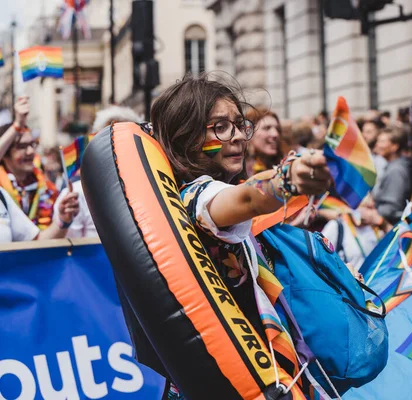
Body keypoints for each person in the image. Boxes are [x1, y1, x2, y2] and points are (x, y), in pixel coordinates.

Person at [150, 73, 332, 397]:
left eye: (239, 124)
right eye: (220, 126)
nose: (236, 136)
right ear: (186, 137)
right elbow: (249, 198)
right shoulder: (197, 196)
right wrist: (287, 180)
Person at [53, 105, 143, 238]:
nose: (116, 148)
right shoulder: (77, 196)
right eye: (108, 140)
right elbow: (69, 251)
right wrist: (65, 220)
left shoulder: (151, 189)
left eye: (125, 139)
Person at [0, 97, 61, 230]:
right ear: (4, 154)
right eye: (22, 146)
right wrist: (17, 124)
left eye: (32, 144)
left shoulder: (46, 186)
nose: (30, 151)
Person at [372, 126, 411, 225]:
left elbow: (391, 207)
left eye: (382, 141)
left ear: (394, 146)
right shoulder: (392, 166)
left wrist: (371, 213)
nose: (377, 144)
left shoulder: (396, 170)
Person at [246, 107, 282, 174]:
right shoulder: (238, 170)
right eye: (267, 128)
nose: (275, 134)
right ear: (249, 133)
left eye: (277, 129)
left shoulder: (283, 166)